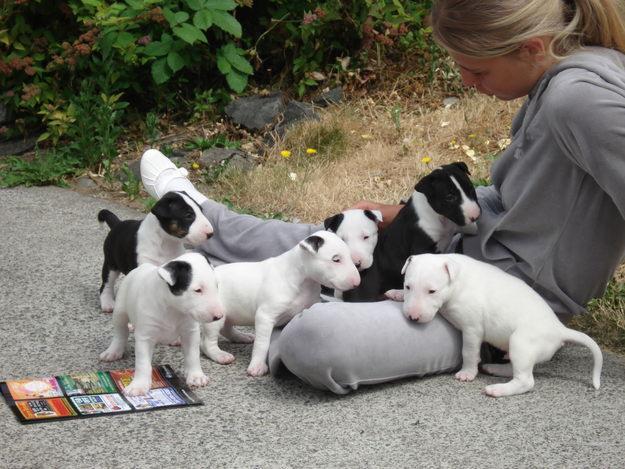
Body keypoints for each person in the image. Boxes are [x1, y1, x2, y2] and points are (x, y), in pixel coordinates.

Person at [140, 0, 625, 394]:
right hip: (455, 256)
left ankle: (280, 302)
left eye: (475, 70)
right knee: (321, 242)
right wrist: (424, 213)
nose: (465, 82)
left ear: (531, 47)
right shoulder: (557, 78)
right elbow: (532, 201)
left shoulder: (580, 100)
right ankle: (195, 213)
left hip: (502, 307)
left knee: (317, 339)